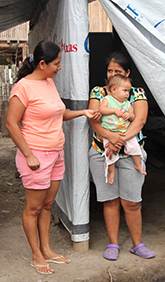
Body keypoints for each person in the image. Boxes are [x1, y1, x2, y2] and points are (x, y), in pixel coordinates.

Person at [6, 40, 99, 275]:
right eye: (57, 64)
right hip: (35, 156)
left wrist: (82, 112)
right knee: (33, 209)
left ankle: (46, 249)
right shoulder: (23, 87)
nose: (60, 68)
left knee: (47, 206)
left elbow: (58, 115)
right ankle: (36, 255)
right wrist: (28, 155)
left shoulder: (49, 83)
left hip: (56, 153)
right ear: (42, 63)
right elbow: (11, 124)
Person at [88, 51, 155, 260]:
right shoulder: (98, 92)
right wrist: (112, 138)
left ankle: (137, 244)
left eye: (117, 71)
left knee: (132, 201)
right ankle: (113, 244)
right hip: (102, 150)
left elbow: (140, 120)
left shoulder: (136, 93)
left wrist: (121, 140)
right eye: (109, 70)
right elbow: (94, 120)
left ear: (127, 73)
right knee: (110, 200)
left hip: (129, 150)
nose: (111, 74)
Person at [99, 74, 147, 184]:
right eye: (125, 90)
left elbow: (133, 116)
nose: (127, 94)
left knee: (134, 147)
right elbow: (102, 110)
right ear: (114, 89)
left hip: (125, 132)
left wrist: (129, 116)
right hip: (109, 132)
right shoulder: (108, 99)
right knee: (109, 153)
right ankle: (111, 171)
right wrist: (113, 111)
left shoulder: (127, 103)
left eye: (128, 91)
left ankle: (138, 164)